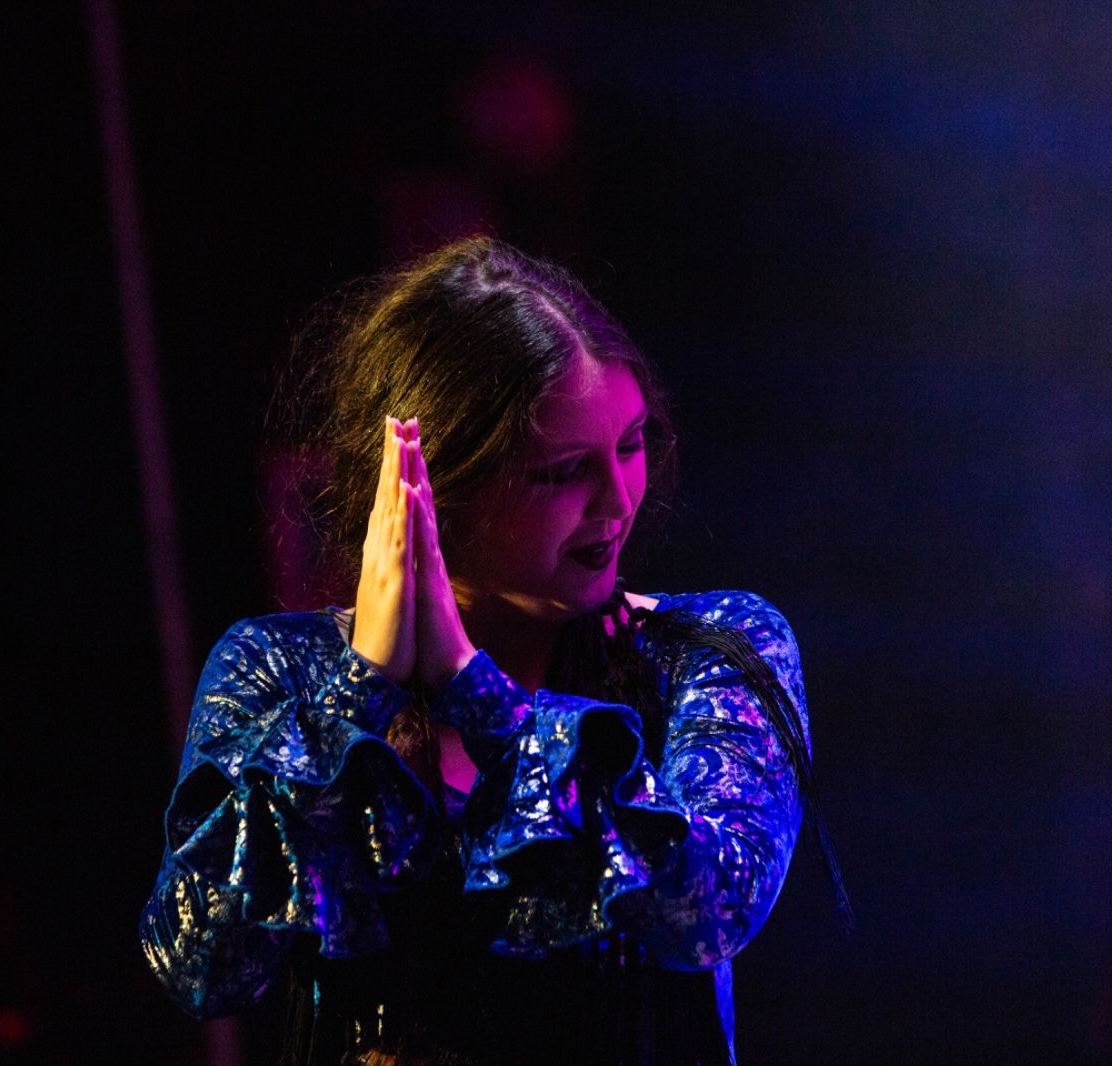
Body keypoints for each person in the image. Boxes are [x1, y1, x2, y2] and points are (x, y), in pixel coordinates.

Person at [138, 237, 839, 1065]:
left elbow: (707, 912)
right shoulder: (280, 668)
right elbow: (202, 967)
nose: (618, 501)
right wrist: (360, 688)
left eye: (630, 444)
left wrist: (476, 692)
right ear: (440, 488)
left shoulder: (708, 651)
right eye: (563, 472)